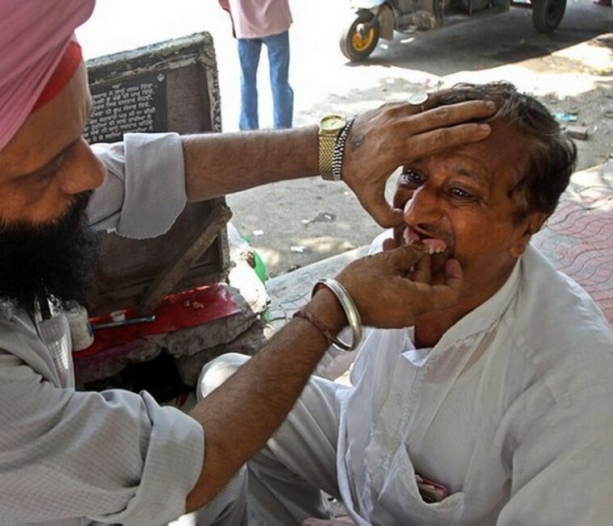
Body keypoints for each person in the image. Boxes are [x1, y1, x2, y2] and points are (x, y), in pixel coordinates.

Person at [0, 2, 497, 525]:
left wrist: (335, 147)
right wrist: (333, 308)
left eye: (81, 136)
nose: (90, 176)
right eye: (50, 168)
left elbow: (152, 169)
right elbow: (185, 471)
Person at [199, 82, 613, 525]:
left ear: (526, 229)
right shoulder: (396, 260)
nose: (413, 212)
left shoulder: (574, 389)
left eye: (459, 192)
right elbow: (306, 356)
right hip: (360, 458)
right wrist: (336, 305)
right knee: (230, 384)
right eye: (413, 175)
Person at [218, 0, 295, 130]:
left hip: (245, 23)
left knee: (247, 82)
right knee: (279, 82)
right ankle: (283, 131)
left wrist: (233, 16)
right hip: (277, 20)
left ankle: (248, 132)